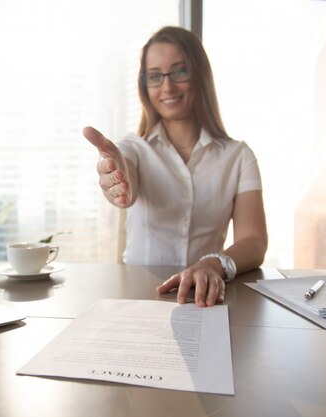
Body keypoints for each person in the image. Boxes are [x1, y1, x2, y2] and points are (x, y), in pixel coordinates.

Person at [83, 26, 267, 307]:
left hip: (204, 299)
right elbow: (126, 175)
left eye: (179, 71)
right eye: (155, 76)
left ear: (200, 75)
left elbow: (253, 241)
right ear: (145, 85)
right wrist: (116, 175)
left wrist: (212, 264)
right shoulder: (135, 148)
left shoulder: (239, 156)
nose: (167, 87)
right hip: (139, 298)